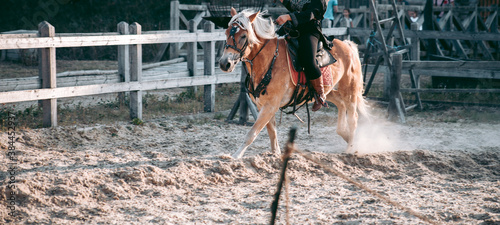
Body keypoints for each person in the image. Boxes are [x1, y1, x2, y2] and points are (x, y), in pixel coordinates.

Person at [276, 0, 329, 111]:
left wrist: (288, 17)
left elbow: (311, 14)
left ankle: (320, 94)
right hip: (294, 27)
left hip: (310, 30)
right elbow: (294, 7)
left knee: (309, 61)